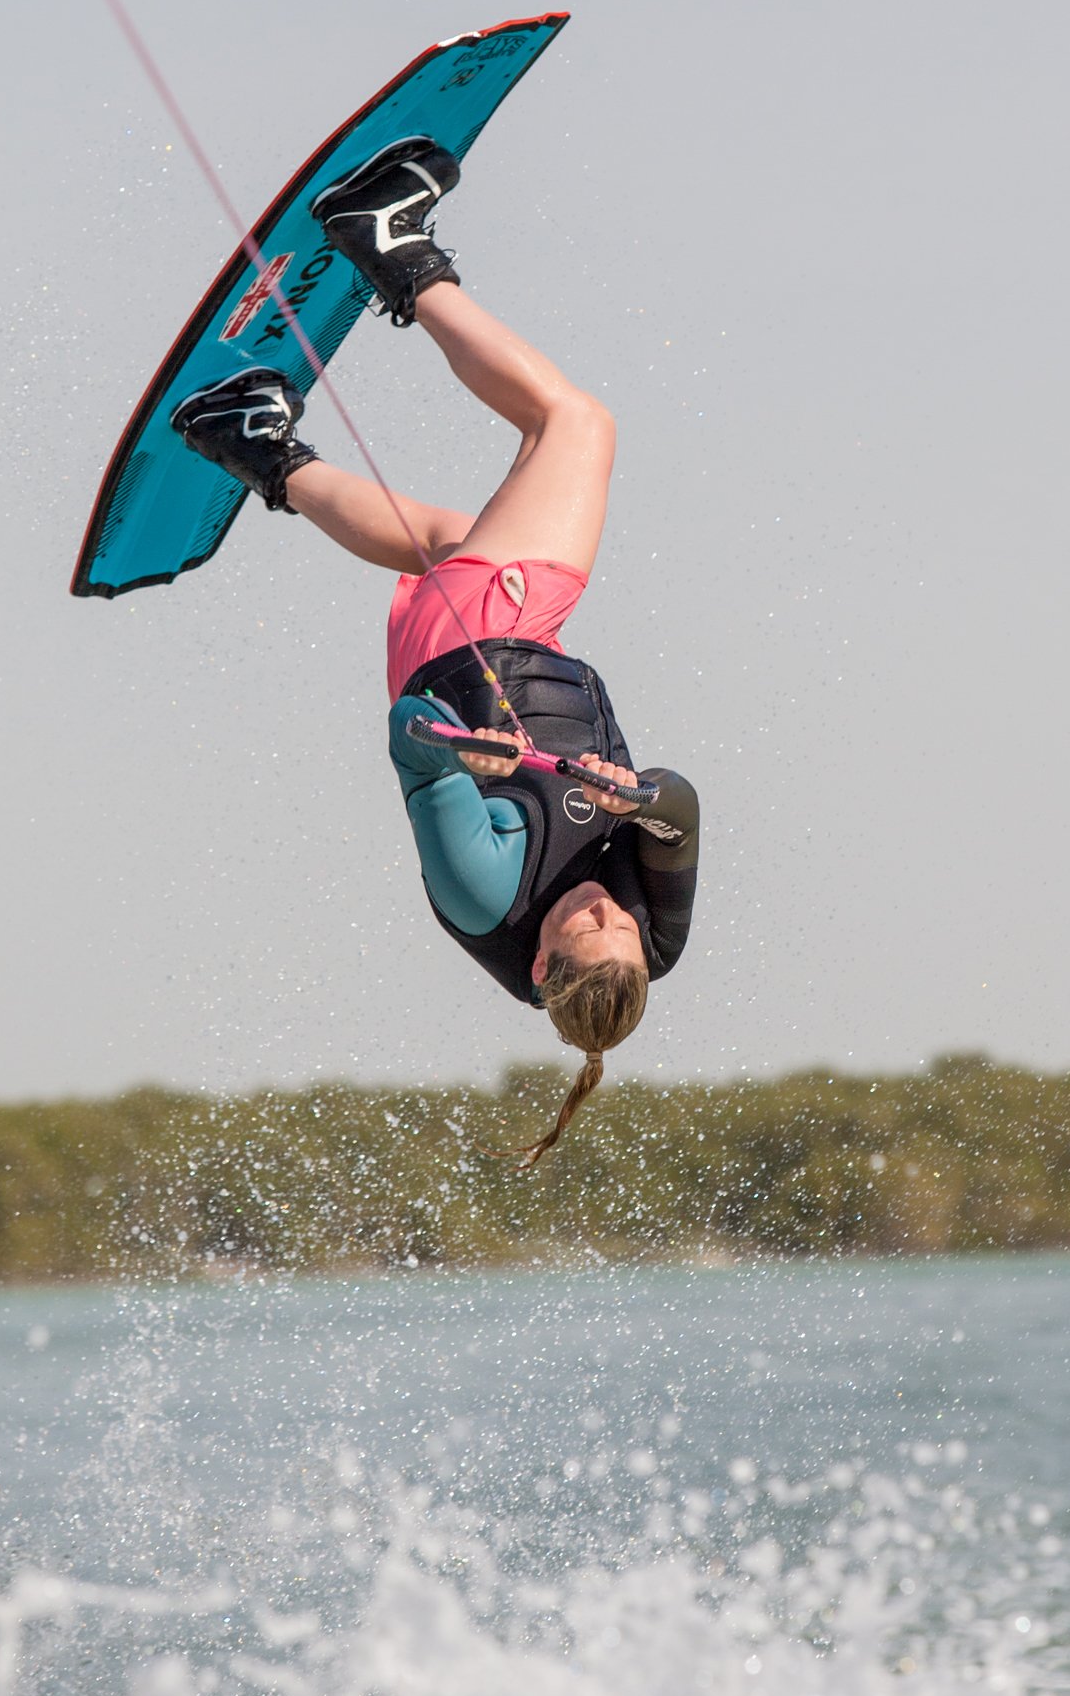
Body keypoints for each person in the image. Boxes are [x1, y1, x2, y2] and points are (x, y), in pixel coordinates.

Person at [169, 140, 699, 1163]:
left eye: (586, 926)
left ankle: (391, 244)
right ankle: (253, 441)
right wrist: (639, 798)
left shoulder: (484, 893)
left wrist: (458, 752)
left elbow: (407, 742)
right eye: (620, 927)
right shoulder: (650, 947)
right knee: (450, 535)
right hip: (490, 629)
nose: (605, 908)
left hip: (490, 635)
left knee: (573, 425)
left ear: (539, 966)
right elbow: (680, 812)